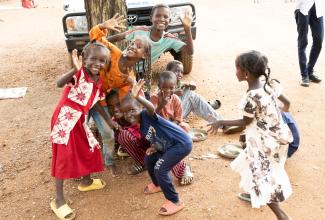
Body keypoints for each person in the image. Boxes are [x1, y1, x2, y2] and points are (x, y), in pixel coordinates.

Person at [208, 51, 293, 220]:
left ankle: (282, 216)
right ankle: (256, 193)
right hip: (278, 136)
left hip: (264, 142)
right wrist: (273, 117)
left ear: (246, 74)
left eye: (237, 69)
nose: (235, 72)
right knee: (261, 171)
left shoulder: (252, 97)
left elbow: (245, 122)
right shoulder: (269, 84)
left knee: (262, 178)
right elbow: (287, 103)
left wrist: (220, 122)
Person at [50, 42, 118, 220]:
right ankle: (58, 200)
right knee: (63, 158)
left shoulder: (98, 81)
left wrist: (108, 119)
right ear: (84, 59)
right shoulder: (79, 75)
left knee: (89, 147)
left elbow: (94, 100)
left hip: (79, 120)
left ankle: (86, 181)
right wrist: (74, 69)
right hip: (65, 121)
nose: (98, 63)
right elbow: (59, 83)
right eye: (93, 59)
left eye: (102, 60)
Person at [77, 14, 151, 176]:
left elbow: (127, 102)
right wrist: (103, 25)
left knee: (108, 134)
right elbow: (94, 37)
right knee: (79, 131)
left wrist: (123, 117)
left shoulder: (128, 77)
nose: (132, 46)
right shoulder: (114, 53)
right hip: (82, 97)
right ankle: (79, 166)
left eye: (138, 46)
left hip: (99, 103)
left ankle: (109, 162)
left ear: (144, 56)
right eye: (132, 43)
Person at [119, 80, 192, 215]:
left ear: (140, 108)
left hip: (181, 144)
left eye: (132, 110)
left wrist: (137, 97)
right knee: (149, 158)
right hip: (169, 145)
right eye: (125, 113)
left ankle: (175, 201)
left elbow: (151, 108)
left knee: (160, 168)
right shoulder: (142, 127)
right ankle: (157, 184)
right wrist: (154, 147)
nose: (129, 115)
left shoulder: (147, 115)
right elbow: (156, 136)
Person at [106, 89, 194, 185]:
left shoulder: (141, 114)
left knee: (161, 145)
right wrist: (117, 128)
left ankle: (182, 169)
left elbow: (153, 113)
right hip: (144, 145)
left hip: (156, 141)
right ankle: (144, 163)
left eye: (118, 104)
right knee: (123, 136)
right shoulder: (115, 121)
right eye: (111, 106)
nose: (115, 109)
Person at [107, 3, 194, 98]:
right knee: (116, 95)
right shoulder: (140, 30)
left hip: (142, 73)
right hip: (123, 67)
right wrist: (100, 41)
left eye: (165, 17)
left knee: (143, 98)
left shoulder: (169, 39)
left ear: (169, 20)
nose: (162, 19)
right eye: (158, 16)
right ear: (151, 18)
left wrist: (187, 28)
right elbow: (119, 36)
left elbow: (190, 51)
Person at [295, 0, 323, 87]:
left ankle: (310, 70)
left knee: (319, 40)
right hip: (303, 7)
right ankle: (304, 75)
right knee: (303, 42)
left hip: (318, 9)